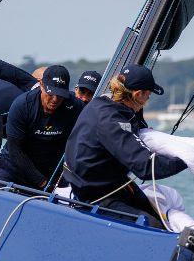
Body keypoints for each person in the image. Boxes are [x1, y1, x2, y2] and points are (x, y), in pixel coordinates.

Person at [63, 64, 187, 228]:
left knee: (161, 219)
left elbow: (137, 127)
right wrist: (187, 160)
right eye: (147, 95)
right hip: (94, 194)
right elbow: (145, 167)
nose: (148, 100)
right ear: (137, 94)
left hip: (112, 183)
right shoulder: (111, 119)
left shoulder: (105, 102)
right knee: (153, 225)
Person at [0, 65, 84, 190]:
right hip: (14, 166)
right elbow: (15, 149)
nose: (55, 100)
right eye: (51, 93)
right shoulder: (23, 105)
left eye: (60, 95)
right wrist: (41, 182)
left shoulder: (75, 106)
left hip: (50, 170)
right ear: (41, 85)